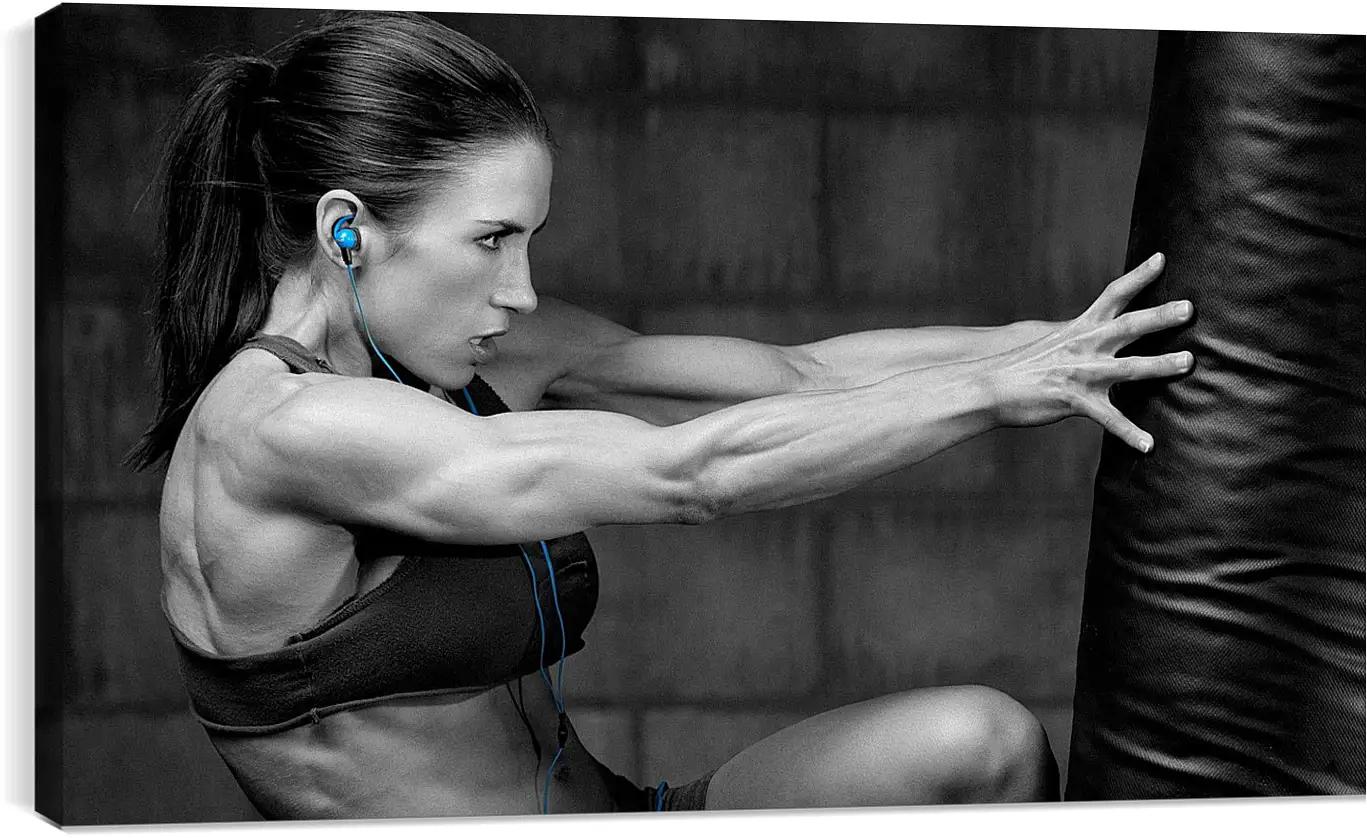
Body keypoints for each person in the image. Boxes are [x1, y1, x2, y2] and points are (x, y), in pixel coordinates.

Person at [126, 10, 1196, 819]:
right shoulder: (278, 432)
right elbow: (691, 474)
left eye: (528, 241)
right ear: (346, 232)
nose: (521, 291)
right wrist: (989, 394)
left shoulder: (460, 353)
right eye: (491, 240)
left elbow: (791, 374)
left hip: (622, 815)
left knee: (982, 742)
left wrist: (1063, 343)